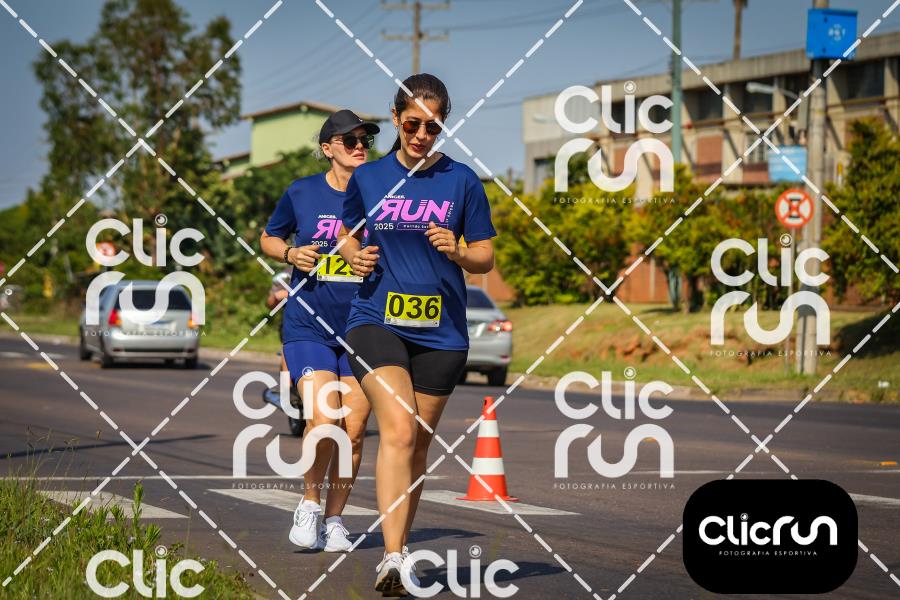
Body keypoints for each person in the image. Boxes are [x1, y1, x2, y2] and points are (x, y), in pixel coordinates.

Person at [337, 73, 496, 595]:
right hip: (375, 320)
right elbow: (345, 232)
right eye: (412, 125)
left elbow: (485, 256)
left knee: (418, 448)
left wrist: (459, 250)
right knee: (400, 433)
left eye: (432, 127)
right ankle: (391, 559)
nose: (422, 135)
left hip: (442, 333)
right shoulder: (369, 178)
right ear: (396, 120)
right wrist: (352, 254)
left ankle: (400, 549)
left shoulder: (462, 181)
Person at [260, 109, 379, 552]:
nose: (360, 146)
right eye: (350, 140)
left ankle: (335, 520)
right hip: (309, 325)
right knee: (325, 419)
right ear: (328, 148)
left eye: (365, 140)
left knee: (354, 430)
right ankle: (310, 503)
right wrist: (290, 255)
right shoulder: (302, 192)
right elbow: (269, 237)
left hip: (364, 326)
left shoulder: (384, 193)